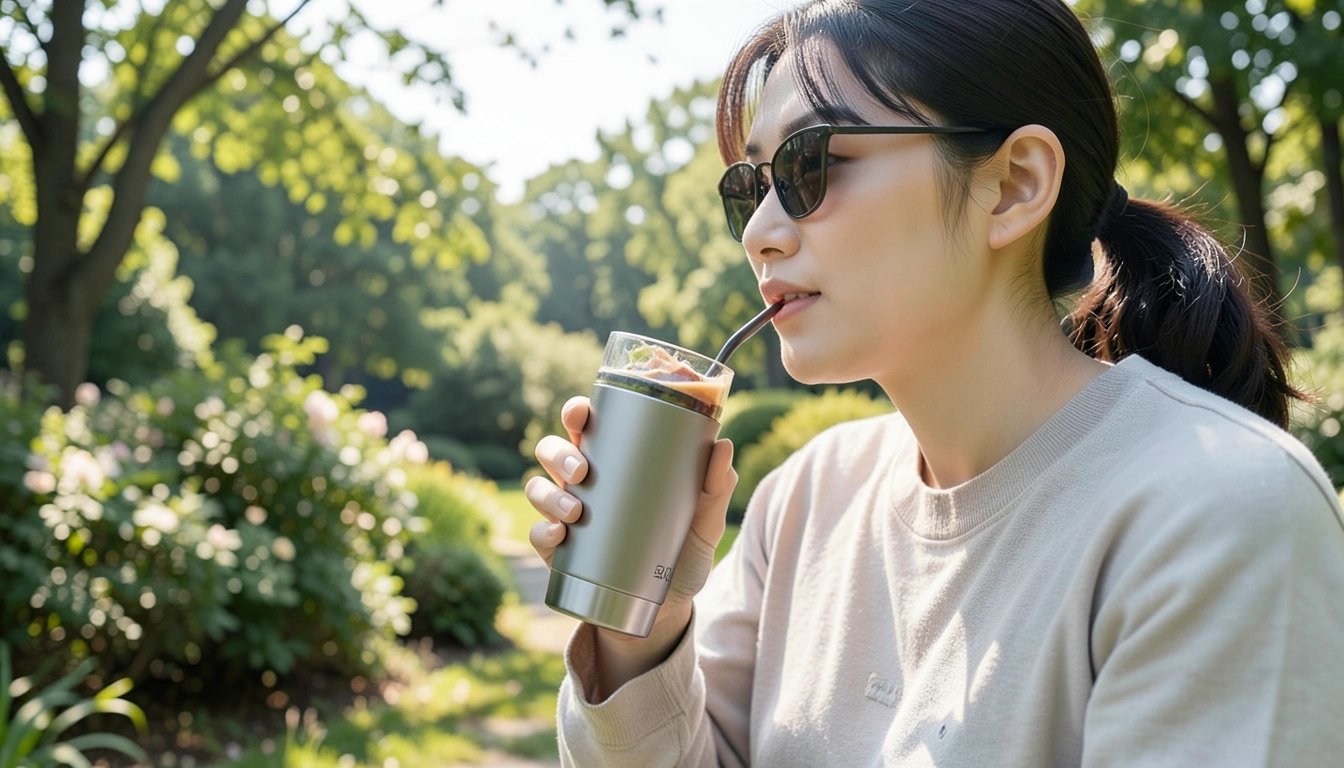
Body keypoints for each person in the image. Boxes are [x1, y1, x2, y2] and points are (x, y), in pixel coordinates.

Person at [524, 0, 1344, 765]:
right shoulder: (803, 500)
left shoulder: (1220, 512)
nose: (762, 235)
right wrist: (644, 624)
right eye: (750, 189)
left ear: (1015, 183)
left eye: (811, 164)